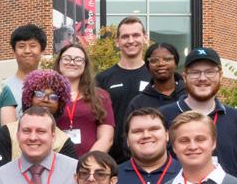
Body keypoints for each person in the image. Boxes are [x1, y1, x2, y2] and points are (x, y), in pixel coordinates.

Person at [157, 47, 237, 171]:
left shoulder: (236, 118)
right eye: (195, 72)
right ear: (185, 76)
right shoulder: (163, 116)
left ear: (220, 76)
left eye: (210, 72)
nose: (202, 78)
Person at [0, 71, 79, 168]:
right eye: (39, 94)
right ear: (29, 97)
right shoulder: (7, 132)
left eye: (53, 97)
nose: (45, 99)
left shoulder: (64, 142)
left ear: (60, 104)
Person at [94, 17, 154, 147]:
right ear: (117, 42)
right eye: (125, 36)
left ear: (145, 38)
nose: (131, 40)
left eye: (136, 35)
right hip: (114, 155)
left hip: (150, 150)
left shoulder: (155, 76)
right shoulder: (102, 79)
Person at [112, 106, 175, 184]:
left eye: (154, 129)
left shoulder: (187, 175)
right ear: (127, 141)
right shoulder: (112, 178)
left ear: (167, 135)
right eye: (137, 131)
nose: (146, 135)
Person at [54, 40, 116, 156]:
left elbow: (106, 138)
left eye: (78, 60)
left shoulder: (100, 96)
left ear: (85, 65)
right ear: (59, 62)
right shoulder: (48, 96)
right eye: (67, 58)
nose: (72, 63)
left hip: (89, 167)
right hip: (55, 164)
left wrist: (87, 164)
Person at [2, 24, 48, 95]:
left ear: (42, 51)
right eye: (21, 46)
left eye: (32, 46)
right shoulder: (2, 89)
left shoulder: (51, 87)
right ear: (14, 51)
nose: (27, 51)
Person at [137, 42, 184, 111]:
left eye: (167, 59)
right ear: (148, 67)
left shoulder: (190, 95)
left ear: (176, 63)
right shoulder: (138, 103)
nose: (161, 64)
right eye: (154, 60)